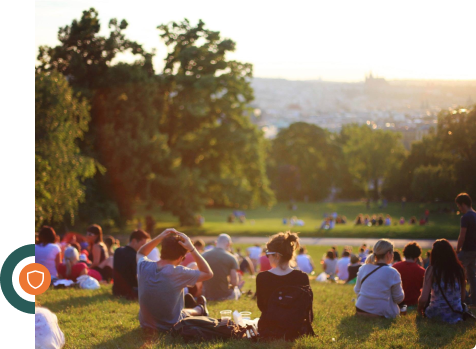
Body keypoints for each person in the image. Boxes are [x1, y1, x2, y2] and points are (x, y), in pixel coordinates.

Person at [136, 229, 213, 331]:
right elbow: (208, 273)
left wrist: (160, 237)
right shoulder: (178, 272)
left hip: (146, 325)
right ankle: (199, 309)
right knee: (182, 313)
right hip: (171, 326)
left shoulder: (144, 266)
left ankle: (198, 308)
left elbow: (141, 252)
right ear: (180, 258)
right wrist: (192, 248)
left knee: (179, 311)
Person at [256, 232, 312, 337]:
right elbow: (305, 307)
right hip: (297, 327)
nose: (267, 257)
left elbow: (262, 306)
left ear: (276, 256)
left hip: (270, 327)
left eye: (268, 254)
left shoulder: (262, 278)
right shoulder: (303, 277)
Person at [418, 239, 466, 323]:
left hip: (435, 314)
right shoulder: (459, 270)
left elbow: (423, 299)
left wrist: (419, 309)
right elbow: (462, 297)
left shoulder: (431, 270)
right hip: (456, 314)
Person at [354, 239, 404, 318]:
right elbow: (398, 298)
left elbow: (357, 290)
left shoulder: (363, 268)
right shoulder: (393, 272)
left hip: (361, 309)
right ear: (388, 254)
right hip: (380, 312)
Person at [113, 229, 150, 299]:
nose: (143, 247)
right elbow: (138, 278)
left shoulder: (117, 251)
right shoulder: (135, 256)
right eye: (142, 244)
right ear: (134, 241)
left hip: (116, 290)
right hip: (130, 291)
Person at [202, 234, 241, 300]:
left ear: (215, 243)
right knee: (237, 291)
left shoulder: (204, 255)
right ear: (228, 244)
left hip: (206, 295)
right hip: (224, 295)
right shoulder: (231, 258)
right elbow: (234, 282)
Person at [455, 193, 476, 305]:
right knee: (472, 274)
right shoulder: (475, 215)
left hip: (467, 250)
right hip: (474, 250)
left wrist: (458, 250)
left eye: (459, 206)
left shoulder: (466, 217)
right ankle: (474, 300)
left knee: (454, 268)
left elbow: (462, 236)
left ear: (463, 204)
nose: (459, 209)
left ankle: (461, 297)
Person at [392, 242, 425, 306]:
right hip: (414, 303)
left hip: (398, 302)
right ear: (417, 256)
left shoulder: (395, 267)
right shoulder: (422, 271)